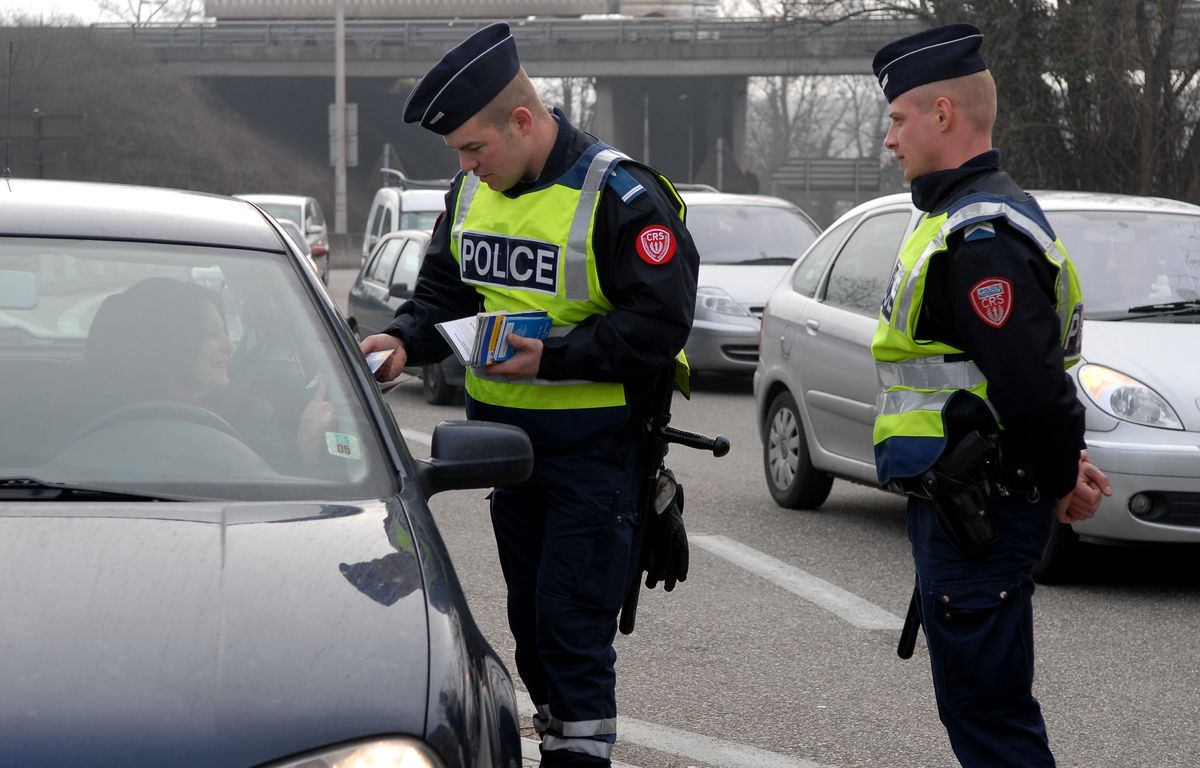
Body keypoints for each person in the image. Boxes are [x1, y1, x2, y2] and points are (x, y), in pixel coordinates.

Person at [358, 23, 699, 767]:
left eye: (475, 148)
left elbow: (660, 325)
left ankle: (580, 755)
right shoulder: (471, 192)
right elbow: (444, 292)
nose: (468, 167)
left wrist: (552, 358)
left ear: (523, 120)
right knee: (529, 625)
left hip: (594, 460)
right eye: (460, 156)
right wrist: (403, 341)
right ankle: (559, 739)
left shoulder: (622, 195)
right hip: (504, 458)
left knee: (570, 629)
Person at [869, 24, 1113, 767]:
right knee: (980, 713)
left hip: (980, 506)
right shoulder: (955, 217)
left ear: (943, 114)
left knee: (991, 722)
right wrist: (1059, 470)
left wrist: (1061, 473)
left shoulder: (981, 236)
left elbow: (1031, 387)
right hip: (963, 501)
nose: (889, 140)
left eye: (898, 119)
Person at [85, 277, 332, 467]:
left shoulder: (253, 415)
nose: (229, 345)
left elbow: (286, 501)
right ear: (174, 343)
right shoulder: (96, 409)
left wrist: (308, 447)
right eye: (212, 333)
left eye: (225, 332)